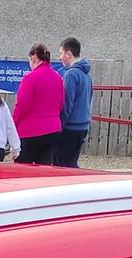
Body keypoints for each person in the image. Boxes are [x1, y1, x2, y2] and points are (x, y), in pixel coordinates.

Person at [12, 44, 64, 165]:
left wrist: (13, 125)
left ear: (33, 58)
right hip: (52, 129)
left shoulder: (30, 78)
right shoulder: (58, 78)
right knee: (44, 170)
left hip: (30, 131)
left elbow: (21, 106)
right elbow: (61, 104)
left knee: (22, 170)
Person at [55, 36, 92, 167]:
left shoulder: (71, 74)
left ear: (69, 54)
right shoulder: (86, 75)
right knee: (72, 163)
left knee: (62, 165)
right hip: (83, 126)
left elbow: (67, 104)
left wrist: (59, 126)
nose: (60, 57)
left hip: (70, 127)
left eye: (61, 53)